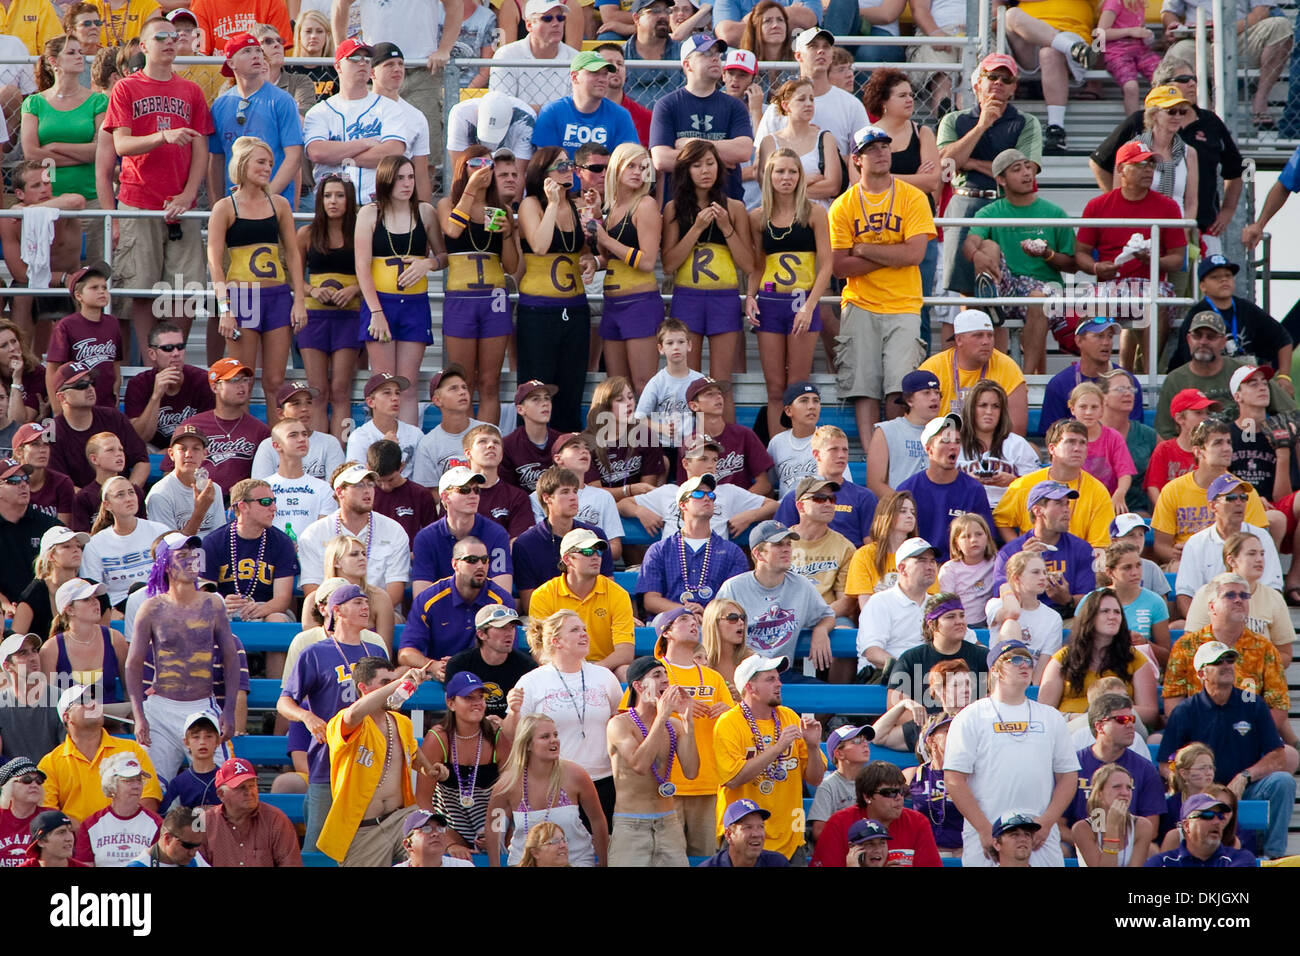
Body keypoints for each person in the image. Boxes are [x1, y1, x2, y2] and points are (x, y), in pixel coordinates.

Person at [101, 15, 213, 350]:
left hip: (181, 204)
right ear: (144, 46)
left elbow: (201, 149)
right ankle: (153, 366)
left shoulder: (191, 90)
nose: (169, 41)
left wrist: (189, 194)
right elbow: (121, 145)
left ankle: (174, 357)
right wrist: (163, 135)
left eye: (174, 36)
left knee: (186, 290)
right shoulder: (126, 88)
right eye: (160, 36)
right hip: (139, 201)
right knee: (141, 289)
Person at [829, 124, 934, 445]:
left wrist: (864, 249)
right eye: (871, 149)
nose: (880, 153)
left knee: (899, 389)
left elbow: (915, 254)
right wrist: (893, 254)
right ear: (857, 159)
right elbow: (839, 266)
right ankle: (874, 452)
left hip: (904, 304)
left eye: (885, 147)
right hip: (860, 303)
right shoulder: (843, 205)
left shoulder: (912, 197)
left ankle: (896, 450)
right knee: (863, 388)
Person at [944, 638, 1079, 867]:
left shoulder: (1050, 717)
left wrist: (1046, 822)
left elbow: (1068, 776)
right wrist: (984, 828)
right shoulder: (970, 716)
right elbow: (954, 779)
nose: (1024, 664)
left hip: (1038, 836)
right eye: (1015, 659)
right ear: (995, 670)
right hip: (987, 833)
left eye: (1028, 659)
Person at [1157, 640, 1294, 860]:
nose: (1227, 665)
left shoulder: (1253, 703)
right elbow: (1165, 763)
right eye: (1218, 662)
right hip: (1201, 791)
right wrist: (1193, 785)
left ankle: (1273, 856)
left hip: (1245, 787)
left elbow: (1277, 756)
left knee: (1283, 781)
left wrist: (1245, 776)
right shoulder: (1185, 711)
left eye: (1230, 659)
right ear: (1202, 673)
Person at [126, 532, 240, 784]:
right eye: (182, 555)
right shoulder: (152, 608)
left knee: (222, 786)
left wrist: (229, 710)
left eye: (193, 554)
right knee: (151, 789)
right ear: (165, 563)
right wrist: (139, 716)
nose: (191, 560)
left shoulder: (213, 604)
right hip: (161, 708)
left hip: (202, 705)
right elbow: (133, 665)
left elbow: (232, 658)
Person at [316, 656, 448, 866]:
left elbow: (412, 755)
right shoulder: (344, 720)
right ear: (363, 687)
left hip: (402, 818)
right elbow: (354, 713)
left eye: (393, 681)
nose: (394, 688)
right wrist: (400, 682)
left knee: (430, 851)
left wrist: (431, 769)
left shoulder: (401, 722)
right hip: (364, 828)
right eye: (385, 683)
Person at [936, 53, 1043, 307]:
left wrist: (969, 162)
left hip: (1008, 206)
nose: (998, 83)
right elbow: (945, 168)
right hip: (966, 205)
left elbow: (1025, 173)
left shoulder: (1026, 123)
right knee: (968, 293)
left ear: (1014, 88)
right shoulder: (954, 120)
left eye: (1006, 79)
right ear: (977, 84)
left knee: (1007, 291)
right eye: (992, 76)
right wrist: (982, 126)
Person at [1073, 141, 1187, 369]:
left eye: (1150, 165)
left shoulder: (1168, 207)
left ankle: (1148, 378)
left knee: (1153, 302)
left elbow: (1177, 258)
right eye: (1139, 164)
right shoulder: (1098, 206)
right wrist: (1097, 268)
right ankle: (1095, 375)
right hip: (1110, 284)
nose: (1148, 170)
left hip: (1151, 282)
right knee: (1094, 306)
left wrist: (1153, 260)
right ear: (1120, 169)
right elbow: (1081, 254)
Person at [505, 610, 625, 824]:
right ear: (556, 641)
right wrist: (513, 712)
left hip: (604, 780)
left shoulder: (605, 677)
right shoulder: (532, 681)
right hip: (554, 781)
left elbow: (621, 724)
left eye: (585, 630)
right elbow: (512, 736)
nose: (584, 634)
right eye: (575, 630)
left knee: (602, 849)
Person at [963, 151, 1075, 374]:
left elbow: (1072, 264)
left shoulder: (1054, 213)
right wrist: (976, 256)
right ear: (1001, 180)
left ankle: (1025, 377)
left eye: (1028, 167)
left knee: (1038, 298)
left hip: (1044, 288)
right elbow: (969, 242)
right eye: (1017, 169)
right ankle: (990, 300)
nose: (1026, 173)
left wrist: (1047, 254)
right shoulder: (989, 212)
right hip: (1007, 283)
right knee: (988, 247)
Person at [746, 152, 832, 436]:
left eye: (792, 172)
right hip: (770, 302)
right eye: (779, 172)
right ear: (769, 176)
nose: (786, 178)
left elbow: (827, 264)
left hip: (801, 301)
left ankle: (801, 449)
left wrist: (809, 306)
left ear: (800, 176)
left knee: (797, 386)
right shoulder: (757, 217)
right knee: (774, 387)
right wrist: (749, 296)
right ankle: (776, 453)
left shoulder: (814, 212)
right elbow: (757, 266)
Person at [662, 139, 756, 401]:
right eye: (697, 165)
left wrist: (726, 227)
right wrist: (696, 229)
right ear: (686, 170)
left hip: (723, 299)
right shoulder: (674, 208)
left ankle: (723, 441)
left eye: (710, 164)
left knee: (720, 383)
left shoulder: (735, 208)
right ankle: (689, 441)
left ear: (719, 168)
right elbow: (669, 264)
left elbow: (749, 264)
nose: (705, 170)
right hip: (687, 298)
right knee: (688, 380)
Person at [515, 148, 598, 433]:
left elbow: (583, 250)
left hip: (574, 308)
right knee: (536, 387)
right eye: (560, 165)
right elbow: (539, 245)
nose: (568, 170)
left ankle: (568, 449)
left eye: (570, 164)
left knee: (572, 386)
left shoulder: (576, 206)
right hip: (539, 310)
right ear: (543, 172)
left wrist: (590, 260)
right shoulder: (531, 204)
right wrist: (552, 204)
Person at [713, 654, 822, 863]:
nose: (779, 683)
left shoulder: (789, 716)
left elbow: (815, 779)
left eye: (778, 678)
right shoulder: (728, 723)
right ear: (750, 687)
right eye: (770, 679)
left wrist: (813, 746)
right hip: (744, 837)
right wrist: (778, 747)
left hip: (791, 838)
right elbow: (732, 778)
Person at [356, 156, 440, 426]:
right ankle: (383, 444)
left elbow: (444, 256)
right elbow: (362, 266)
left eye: (410, 177)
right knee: (384, 383)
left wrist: (429, 263)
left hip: (415, 304)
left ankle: (409, 446)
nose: (406, 184)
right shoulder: (370, 213)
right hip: (382, 302)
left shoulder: (425, 212)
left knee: (408, 383)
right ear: (386, 180)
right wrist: (376, 311)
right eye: (400, 178)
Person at [438, 153, 519, 426]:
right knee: (463, 381)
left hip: (494, 298)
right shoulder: (447, 204)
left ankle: (487, 440)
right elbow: (451, 230)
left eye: (488, 164)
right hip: (461, 298)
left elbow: (511, 265)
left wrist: (508, 233)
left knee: (489, 381)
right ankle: (462, 445)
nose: (483, 169)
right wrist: (471, 188)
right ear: (464, 167)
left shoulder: (501, 210)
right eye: (477, 163)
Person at [860, 67, 940, 343]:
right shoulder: (864, 137)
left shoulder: (923, 132)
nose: (910, 100)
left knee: (919, 304)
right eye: (902, 95)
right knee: (876, 305)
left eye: (912, 95)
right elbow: (860, 184)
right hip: (877, 229)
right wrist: (913, 177)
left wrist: (886, 177)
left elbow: (932, 182)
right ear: (884, 102)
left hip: (918, 230)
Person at [1164, 574, 1292, 742]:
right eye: (1230, 595)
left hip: (1250, 736)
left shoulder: (1265, 648)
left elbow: (1278, 706)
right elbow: (1173, 701)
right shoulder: (1187, 646)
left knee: (1288, 756)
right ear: (1211, 607)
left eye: (1244, 596)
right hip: (1197, 736)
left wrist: (1251, 734)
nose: (1239, 600)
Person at [21, 36, 108, 272]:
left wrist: (54, 147)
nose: (80, 56)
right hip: (49, 201)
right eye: (71, 53)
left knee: (94, 272)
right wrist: (83, 153)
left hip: (91, 199)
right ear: (54, 61)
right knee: (51, 271)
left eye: (80, 51)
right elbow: (31, 153)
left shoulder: (98, 101)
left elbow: (101, 150)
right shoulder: (34, 103)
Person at [604, 656, 698, 866]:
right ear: (638, 685)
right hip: (631, 825)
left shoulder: (674, 725)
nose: (666, 680)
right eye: (657, 675)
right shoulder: (619, 724)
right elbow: (639, 764)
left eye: (666, 674)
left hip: (668, 822)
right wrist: (661, 716)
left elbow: (691, 771)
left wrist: (688, 722)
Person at [487, 712, 607, 866]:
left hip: (575, 860)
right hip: (525, 862)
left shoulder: (576, 775)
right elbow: (494, 827)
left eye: (555, 735)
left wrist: (604, 863)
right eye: (545, 737)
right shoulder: (507, 784)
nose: (554, 740)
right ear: (528, 744)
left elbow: (597, 821)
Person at [589, 143, 662, 394]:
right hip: (613, 303)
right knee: (617, 388)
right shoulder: (611, 207)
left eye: (643, 167)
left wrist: (606, 239)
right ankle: (623, 435)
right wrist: (595, 261)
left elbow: (647, 261)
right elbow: (613, 257)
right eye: (630, 165)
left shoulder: (646, 204)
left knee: (643, 385)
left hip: (639, 302)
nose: (637, 172)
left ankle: (648, 435)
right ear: (616, 167)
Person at [302, 37, 408, 208]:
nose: (362, 63)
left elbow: (393, 153)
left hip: (377, 203)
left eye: (367, 59)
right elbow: (317, 152)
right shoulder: (319, 111)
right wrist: (364, 143)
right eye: (354, 58)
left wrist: (337, 155)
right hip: (331, 207)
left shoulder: (388, 107)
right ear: (338, 66)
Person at [1157, 313, 1297, 440]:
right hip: (1197, 457)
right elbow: (1165, 434)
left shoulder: (1245, 372)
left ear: (1223, 342)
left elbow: (1292, 414)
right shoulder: (1174, 380)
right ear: (1188, 339)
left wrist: (1269, 436)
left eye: (1211, 336)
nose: (1203, 341)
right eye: (1197, 335)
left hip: (1246, 449)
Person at [649, 33, 754, 202]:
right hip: (681, 206)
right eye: (705, 54)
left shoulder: (735, 106)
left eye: (717, 54)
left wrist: (691, 145)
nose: (714, 59)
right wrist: (718, 159)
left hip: (727, 203)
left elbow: (743, 151)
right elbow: (662, 159)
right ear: (687, 65)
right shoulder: (667, 105)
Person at [1152, 421, 1274, 566]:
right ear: (1198, 451)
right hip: (1185, 562)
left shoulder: (1244, 492)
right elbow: (1161, 545)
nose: (1227, 448)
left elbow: (1257, 543)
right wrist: (1177, 554)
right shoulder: (1173, 490)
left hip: (1232, 562)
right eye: (1218, 443)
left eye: (1229, 442)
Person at [717, 520, 834, 670]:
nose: (786, 549)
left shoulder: (801, 585)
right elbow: (715, 632)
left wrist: (821, 630)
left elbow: (827, 616)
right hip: (743, 673)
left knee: (827, 693)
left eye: (788, 544)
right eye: (778, 544)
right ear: (758, 554)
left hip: (783, 673)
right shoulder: (733, 588)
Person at [38, 683, 162, 822]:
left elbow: (149, 799)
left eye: (94, 699)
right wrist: (88, 832)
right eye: (83, 701)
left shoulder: (132, 749)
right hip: (75, 841)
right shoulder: (50, 763)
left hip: (128, 836)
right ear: (67, 717)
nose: (93, 704)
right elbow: (49, 815)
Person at [413, 670, 504, 858]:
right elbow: (423, 799)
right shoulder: (439, 738)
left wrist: (497, 831)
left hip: (493, 822)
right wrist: (449, 843)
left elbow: (512, 796)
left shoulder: (497, 737)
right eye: (469, 698)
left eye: (480, 697)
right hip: (449, 824)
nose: (477, 702)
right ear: (451, 703)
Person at [296, 462, 410, 611]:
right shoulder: (314, 534)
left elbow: (395, 590)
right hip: (332, 615)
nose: (367, 491)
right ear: (340, 491)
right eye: (359, 485)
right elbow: (312, 590)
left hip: (381, 614)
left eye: (370, 485)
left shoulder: (394, 530)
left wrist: (364, 614)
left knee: (394, 620)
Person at [296, 177, 360, 439]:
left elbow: (373, 271)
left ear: (350, 199)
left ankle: (340, 454)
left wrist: (354, 288)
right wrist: (312, 290)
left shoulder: (360, 232)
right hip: (314, 317)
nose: (333, 201)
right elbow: (294, 276)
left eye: (340, 196)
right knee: (318, 390)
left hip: (350, 316)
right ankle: (317, 454)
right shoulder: (307, 234)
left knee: (341, 389)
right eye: (327, 196)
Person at [1038, 588, 1159, 726]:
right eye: (1105, 611)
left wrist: (1108, 714)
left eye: (1117, 612)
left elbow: (1150, 713)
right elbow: (1044, 711)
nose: (1113, 616)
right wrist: (1077, 717)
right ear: (1090, 616)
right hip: (1072, 726)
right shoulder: (1063, 659)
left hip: (1120, 725)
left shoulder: (1135, 658)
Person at [634, 475, 751, 616]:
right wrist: (686, 612)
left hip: (715, 623)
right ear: (683, 505)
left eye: (711, 495)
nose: (707, 498)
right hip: (671, 622)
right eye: (698, 493)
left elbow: (735, 602)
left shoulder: (732, 552)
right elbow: (651, 601)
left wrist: (706, 614)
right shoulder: (659, 550)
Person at [400, 536, 515, 677]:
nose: (480, 565)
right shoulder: (429, 599)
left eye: (485, 560)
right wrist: (433, 665)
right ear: (455, 564)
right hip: (439, 675)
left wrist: (459, 665)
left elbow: (507, 651)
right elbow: (406, 653)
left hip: (484, 675)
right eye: (472, 560)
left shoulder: (501, 601)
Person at [993, 420, 1116, 549]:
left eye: (1082, 443)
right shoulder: (1024, 484)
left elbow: (1100, 545)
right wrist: (1021, 550)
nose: (1077, 448)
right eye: (1070, 442)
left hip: (1076, 564)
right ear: (1052, 448)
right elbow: (1001, 521)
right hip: (1031, 563)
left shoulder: (1098, 492)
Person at [528, 529, 633, 677]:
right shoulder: (543, 595)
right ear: (567, 559)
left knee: (624, 671)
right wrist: (569, 669)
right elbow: (540, 650)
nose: (596, 556)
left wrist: (593, 670)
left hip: (604, 667)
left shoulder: (618, 594)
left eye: (599, 551)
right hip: (560, 667)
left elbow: (625, 652)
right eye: (588, 552)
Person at [1175, 475, 1284, 617]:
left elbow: (1273, 588)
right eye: (1231, 498)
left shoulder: (1262, 537)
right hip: (1210, 622)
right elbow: (1186, 594)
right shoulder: (1196, 543)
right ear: (1213, 505)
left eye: (1243, 497)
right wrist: (1202, 628)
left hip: (1256, 620)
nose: (1239, 502)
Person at [1168, 256, 1292, 377]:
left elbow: (1283, 339)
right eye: (1215, 277)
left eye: (1228, 275)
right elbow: (1189, 359)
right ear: (1203, 286)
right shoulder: (1197, 315)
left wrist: (1284, 377)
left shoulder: (1247, 308)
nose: (1224, 280)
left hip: (1247, 379)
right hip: (1209, 378)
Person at [513, 466, 615, 609]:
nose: (573, 497)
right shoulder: (525, 544)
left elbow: (609, 588)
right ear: (547, 498)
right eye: (565, 492)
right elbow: (530, 603)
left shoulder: (596, 536)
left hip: (593, 612)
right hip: (548, 619)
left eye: (575, 491)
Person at [200, 477, 299, 625]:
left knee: (277, 620)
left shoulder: (282, 542)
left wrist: (261, 610)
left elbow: (282, 599)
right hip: (224, 611)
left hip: (267, 609)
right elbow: (203, 594)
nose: (273, 508)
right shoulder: (212, 542)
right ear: (243, 507)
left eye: (274, 501)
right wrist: (219, 603)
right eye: (266, 502)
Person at [1185, 533, 1293, 665]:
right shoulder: (1207, 593)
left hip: (1259, 678)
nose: (1259, 559)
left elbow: (1286, 654)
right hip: (1213, 675)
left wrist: (1256, 664)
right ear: (1231, 560)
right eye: (1252, 554)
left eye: (1262, 554)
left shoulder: (1274, 598)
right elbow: (1191, 646)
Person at [169, 359, 271, 497]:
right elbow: (169, 470)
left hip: (240, 504)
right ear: (215, 387)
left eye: (245, 380)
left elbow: (268, 476)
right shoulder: (192, 426)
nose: (242, 385)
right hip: (196, 498)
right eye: (234, 380)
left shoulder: (260, 430)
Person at [811, 760, 943, 867]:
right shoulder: (839, 823)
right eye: (889, 792)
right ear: (867, 796)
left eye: (902, 791)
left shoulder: (917, 823)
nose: (898, 797)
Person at [919, 309, 1028, 434]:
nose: (986, 341)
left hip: (991, 445)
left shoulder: (1007, 367)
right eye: (978, 335)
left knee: (1031, 449)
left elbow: (1017, 427)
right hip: (943, 443)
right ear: (959, 339)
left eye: (990, 335)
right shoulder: (933, 368)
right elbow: (917, 421)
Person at [48, 361, 150, 491]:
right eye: (81, 385)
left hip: (120, 501)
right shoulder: (50, 431)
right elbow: (55, 481)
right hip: (77, 506)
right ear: (62, 397)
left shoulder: (114, 417)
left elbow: (142, 461)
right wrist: (94, 502)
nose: (90, 388)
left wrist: (127, 492)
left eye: (91, 383)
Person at [412, 466, 512, 596]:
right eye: (464, 490)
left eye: (476, 490)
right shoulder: (425, 538)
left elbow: (502, 592)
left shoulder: (496, 534)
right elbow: (421, 595)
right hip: (441, 611)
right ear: (445, 497)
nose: (473, 496)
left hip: (486, 611)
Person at [774, 425, 876, 546]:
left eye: (845, 450)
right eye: (834, 449)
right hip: (805, 561)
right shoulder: (795, 497)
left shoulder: (864, 497)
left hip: (850, 561)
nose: (841, 455)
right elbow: (779, 542)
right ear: (816, 454)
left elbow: (872, 546)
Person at [79, 478, 169, 608]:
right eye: (120, 495)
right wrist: (109, 611)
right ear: (107, 505)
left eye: (131, 492)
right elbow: (92, 587)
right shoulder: (95, 544)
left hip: (161, 600)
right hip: (119, 607)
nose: (129, 498)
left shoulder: (159, 530)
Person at [1040, 318, 1144, 430]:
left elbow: (1134, 434)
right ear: (1079, 341)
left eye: (1109, 336)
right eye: (1099, 336)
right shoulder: (1059, 384)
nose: (1106, 342)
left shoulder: (1128, 383)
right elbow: (1050, 435)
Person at [124, 322, 214, 451]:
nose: (176, 353)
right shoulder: (138, 384)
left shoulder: (202, 381)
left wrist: (175, 451)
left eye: (180, 347)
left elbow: (210, 432)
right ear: (152, 354)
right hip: (152, 449)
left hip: (192, 449)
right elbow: (139, 437)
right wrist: (156, 396)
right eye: (168, 348)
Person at [199, 756, 302, 866]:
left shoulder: (276, 820)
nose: (249, 792)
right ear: (221, 794)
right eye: (241, 787)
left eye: (252, 785)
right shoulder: (205, 822)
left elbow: (291, 863)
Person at [40, 576, 125, 709]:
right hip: (71, 726)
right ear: (69, 610)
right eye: (87, 599)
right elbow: (49, 704)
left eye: (95, 597)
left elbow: (130, 691)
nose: (96, 602)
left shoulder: (116, 639)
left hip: (114, 724)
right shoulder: (50, 649)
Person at [676, 377, 773, 493]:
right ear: (694, 406)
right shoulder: (689, 443)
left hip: (741, 506)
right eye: (709, 394)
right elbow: (684, 488)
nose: (718, 397)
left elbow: (764, 484)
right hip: (704, 504)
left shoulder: (744, 434)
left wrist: (738, 503)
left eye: (719, 393)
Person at [956, 381, 1041, 510]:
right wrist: (966, 481)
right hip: (965, 511)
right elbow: (940, 484)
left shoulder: (1017, 444)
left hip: (1007, 512)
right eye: (983, 405)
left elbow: (1037, 488)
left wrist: (1013, 481)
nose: (989, 412)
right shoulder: (955, 443)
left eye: (996, 406)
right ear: (971, 409)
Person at [445, 605, 536, 722]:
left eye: (512, 627)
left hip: (511, 734)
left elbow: (529, 717)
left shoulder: (527, 667)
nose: (510, 633)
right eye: (502, 627)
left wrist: (505, 726)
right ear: (481, 634)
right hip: (471, 730)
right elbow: (454, 709)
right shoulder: (459, 665)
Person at [72, 751, 162, 866]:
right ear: (111, 786)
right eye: (128, 781)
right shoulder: (91, 825)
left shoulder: (156, 823)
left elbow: (158, 863)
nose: (136, 786)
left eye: (139, 780)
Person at [489, 0, 579, 112]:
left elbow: (577, 109)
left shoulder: (576, 59)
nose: (556, 23)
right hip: (517, 126)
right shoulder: (505, 55)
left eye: (560, 18)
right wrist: (555, 111)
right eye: (547, 19)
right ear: (529, 25)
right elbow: (501, 106)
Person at [864, 370, 941, 500]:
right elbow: (874, 483)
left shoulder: (946, 432)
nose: (934, 397)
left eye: (937, 393)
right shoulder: (886, 430)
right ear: (909, 401)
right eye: (926, 393)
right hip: (900, 511)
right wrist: (905, 505)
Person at [252, 382, 345, 484]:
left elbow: (336, 489)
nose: (304, 409)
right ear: (280, 413)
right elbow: (260, 488)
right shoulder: (268, 446)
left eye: (309, 402)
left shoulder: (329, 443)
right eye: (296, 404)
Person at [0, 459, 59, 619]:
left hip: (48, 607)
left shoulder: (48, 525)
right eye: (13, 481)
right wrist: (3, 603)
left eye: (26, 479)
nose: (23, 484)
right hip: (6, 611)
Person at [260, 418, 337, 538]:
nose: (302, 439)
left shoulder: (324, 489)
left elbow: (323, 535)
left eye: (304, 434)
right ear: (276, 445)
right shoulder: (262, 488)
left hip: (311, 554)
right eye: (293, 435)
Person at [412, 366, 486, 490]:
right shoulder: (428, 444)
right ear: (437, 400)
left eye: (464, 387)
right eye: (453, 388)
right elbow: (429, 492)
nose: (462, 392)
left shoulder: (488, 433)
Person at [1103, 541, 1171, 671]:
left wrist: (1145, 644)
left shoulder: (1155, 602)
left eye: (1138, 565)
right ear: (1110, 572)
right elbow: (1080, 646)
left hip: (1142, 671)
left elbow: (1167, 658)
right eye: (1127, 567)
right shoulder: (1093, 600)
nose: (1135, 572)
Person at [1145, 791, 1256, 866]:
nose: (1217, 822)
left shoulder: (1240, 859)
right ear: (1187, 826)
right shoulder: (1161, 862)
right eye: (1207, 815)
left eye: (1220, 816)